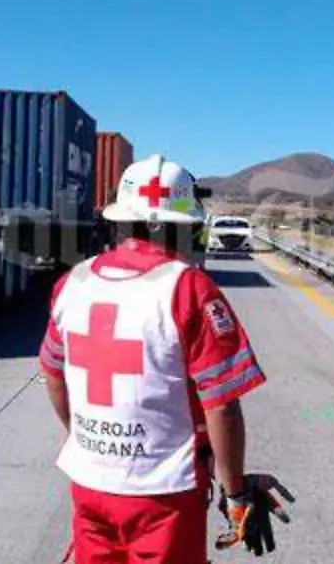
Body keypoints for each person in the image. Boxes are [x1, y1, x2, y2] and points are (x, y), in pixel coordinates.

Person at [40, 153, 292, 563]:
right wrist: (236, 494)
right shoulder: (188, 289)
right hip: (164, 497)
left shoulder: (76, 280)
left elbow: (53, 374)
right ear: (182, 227)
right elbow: (222, 404)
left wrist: (90, 441)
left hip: (89, 486)